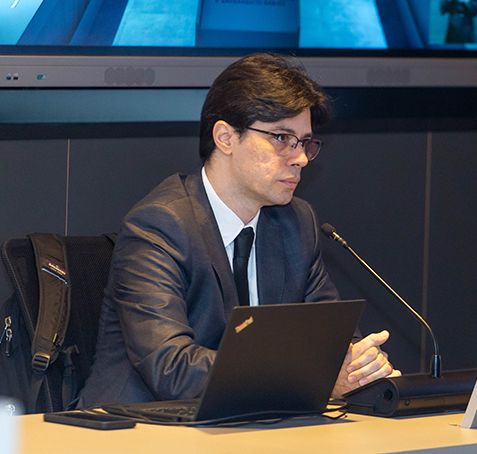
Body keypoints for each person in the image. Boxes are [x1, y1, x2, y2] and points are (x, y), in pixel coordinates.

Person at [77, 53, 398, 407]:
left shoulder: (296, 223)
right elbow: (171, 369)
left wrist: (358, 366)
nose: (301, 158)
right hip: (135, 424)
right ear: (226, 138)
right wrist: (311, 374)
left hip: (246, 423)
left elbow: (332, 339)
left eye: (305, 142)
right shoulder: (160, 225)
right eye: (281, 138)